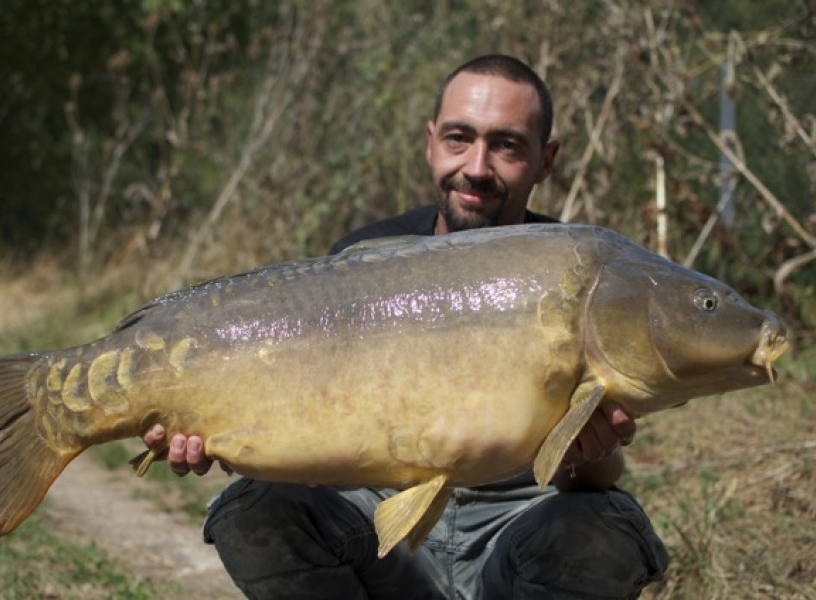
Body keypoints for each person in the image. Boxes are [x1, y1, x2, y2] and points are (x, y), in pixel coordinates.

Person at [143, 54, 669, 599]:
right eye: (458, 138)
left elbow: (599, 480)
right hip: (380, 533)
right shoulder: (361, 264)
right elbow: (307, 433)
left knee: (606, 525)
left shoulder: (581, 276)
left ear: (546, 159)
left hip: (517, 538)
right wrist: (217, 428)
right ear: (430, 142)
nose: (477, 167)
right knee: (254, 506)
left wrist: (590, 451)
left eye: (507, 145)